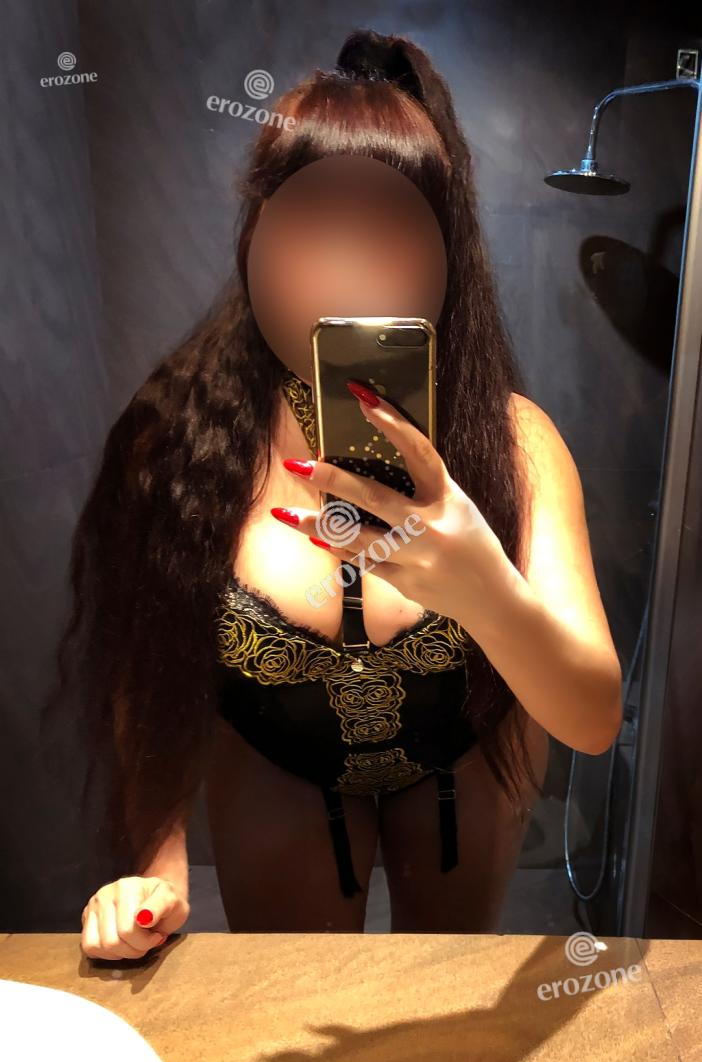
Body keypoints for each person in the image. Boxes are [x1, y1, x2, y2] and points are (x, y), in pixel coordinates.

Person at [41, 29, 621, 957]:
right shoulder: (175, 438)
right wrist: (157, 863)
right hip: (277, 755)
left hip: (464, 753)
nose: (347, 260)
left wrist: (485, 591)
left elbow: (591, 719)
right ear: (256, 240)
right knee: (294, 990)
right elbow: (145, 665)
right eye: (311, 220)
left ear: (446, 255)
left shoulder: (516, 444)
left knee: (445, 986)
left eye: (391, 223)